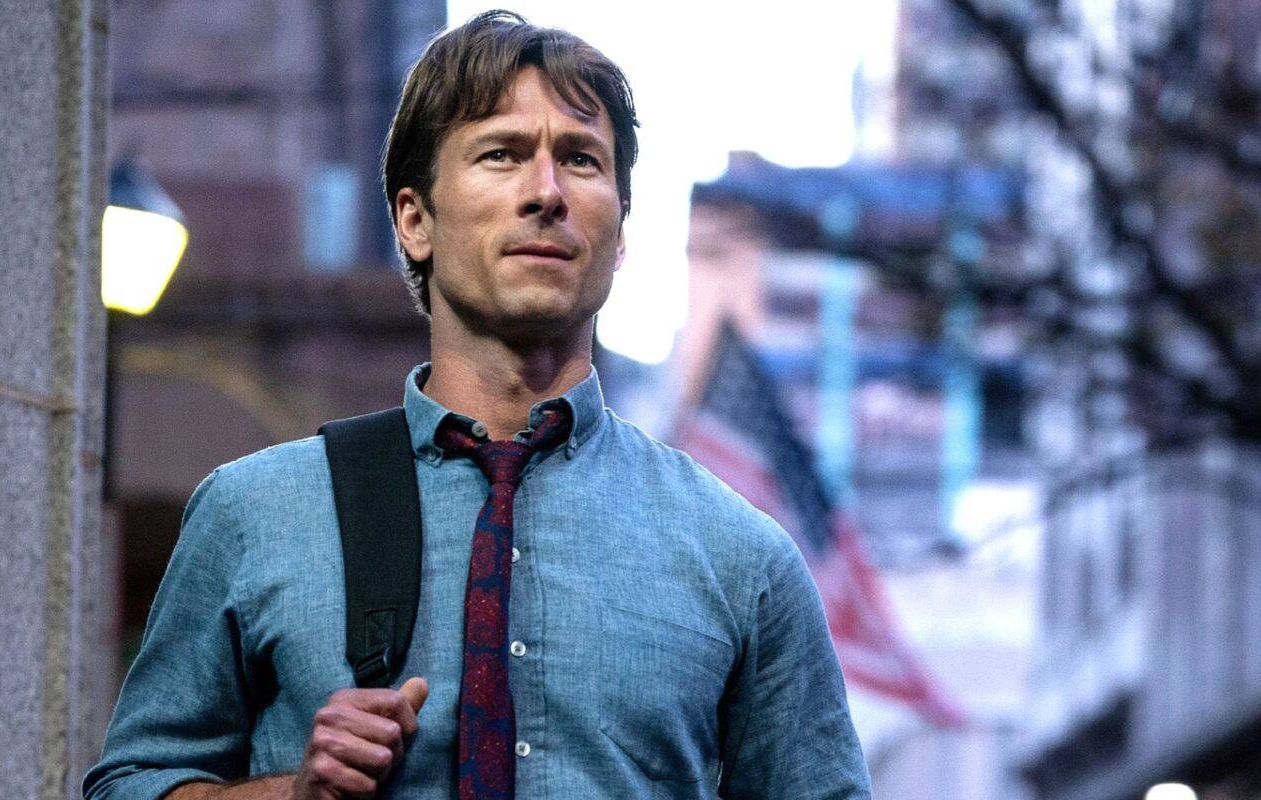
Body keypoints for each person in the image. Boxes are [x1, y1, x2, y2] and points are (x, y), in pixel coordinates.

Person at [84, 11, 869, 800]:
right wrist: (290, 796)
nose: (547, 193)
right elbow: (127, 787)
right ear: (415, 221)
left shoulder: (741, 557)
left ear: (621, 235)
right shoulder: (253, 513)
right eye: (501, 154)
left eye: (581, 159)